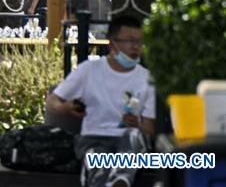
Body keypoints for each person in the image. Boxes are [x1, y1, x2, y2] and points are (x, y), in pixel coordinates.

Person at [46, 15, 155, 187]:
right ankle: (115, 181)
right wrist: (64, 107)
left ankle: (121, 179)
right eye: (130, 41)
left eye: (140, 42)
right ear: (112, 44)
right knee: (97, 162)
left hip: (128, 141)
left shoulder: (146, 79)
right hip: (94, 139)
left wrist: (138, 123)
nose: (136, 47)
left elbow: (150, 128)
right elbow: (52, 100)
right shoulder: (89, 70)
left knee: (133, 137)